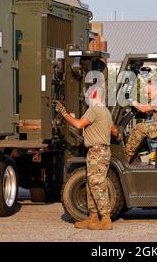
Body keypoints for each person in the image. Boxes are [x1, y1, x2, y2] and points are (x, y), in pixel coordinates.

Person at [55, 86, 120, 231]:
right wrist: (118, 135)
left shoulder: (94, 109)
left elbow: (78, 124)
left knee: (97, 185)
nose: (87, 97)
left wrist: (63, 113)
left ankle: (106, 219)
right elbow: (113, 130)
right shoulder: (105, 111)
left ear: (95, 94)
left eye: (89, 94)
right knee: (91, 185)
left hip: (97, 152)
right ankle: (93, 217)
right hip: (100, 151)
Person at [125, 81, 157, 163]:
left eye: (148, 93)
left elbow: (144, 108)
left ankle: (125, 158)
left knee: (140, 128)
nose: (146, 96)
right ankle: (136, 156)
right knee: (142, 129)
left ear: (155, 90)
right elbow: (148, 112)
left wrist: (131, 100)